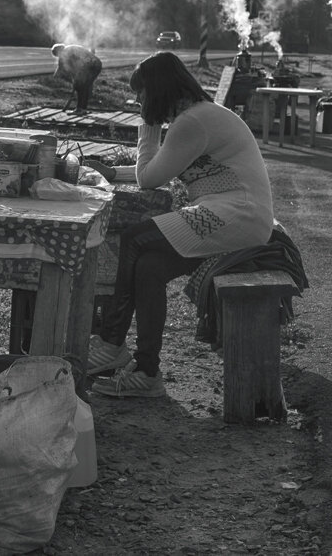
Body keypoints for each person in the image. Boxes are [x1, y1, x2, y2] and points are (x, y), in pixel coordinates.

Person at [89, 51, 275, 398]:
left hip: (237, 214)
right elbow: (164, 167)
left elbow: (148, 179)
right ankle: (147, 373)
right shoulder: (199, 117)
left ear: (157, 91)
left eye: (142, 94)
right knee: (149, 268)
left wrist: (147, 124)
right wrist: (114, 173)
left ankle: (111, 342)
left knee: (134, 238)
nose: (139, 100)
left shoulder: (192, 122)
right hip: (235, 214)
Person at [51, 43, 102, 115]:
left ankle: (79, 109)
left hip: (89, 65)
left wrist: (75, 79)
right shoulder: (70, 48)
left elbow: (63, 67)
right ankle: (83, 109)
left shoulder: (66, 52)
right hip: (97, 64)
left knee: (80, 86)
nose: (59, 57)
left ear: (58, 51)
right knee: (84, 87)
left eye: (57, 55)